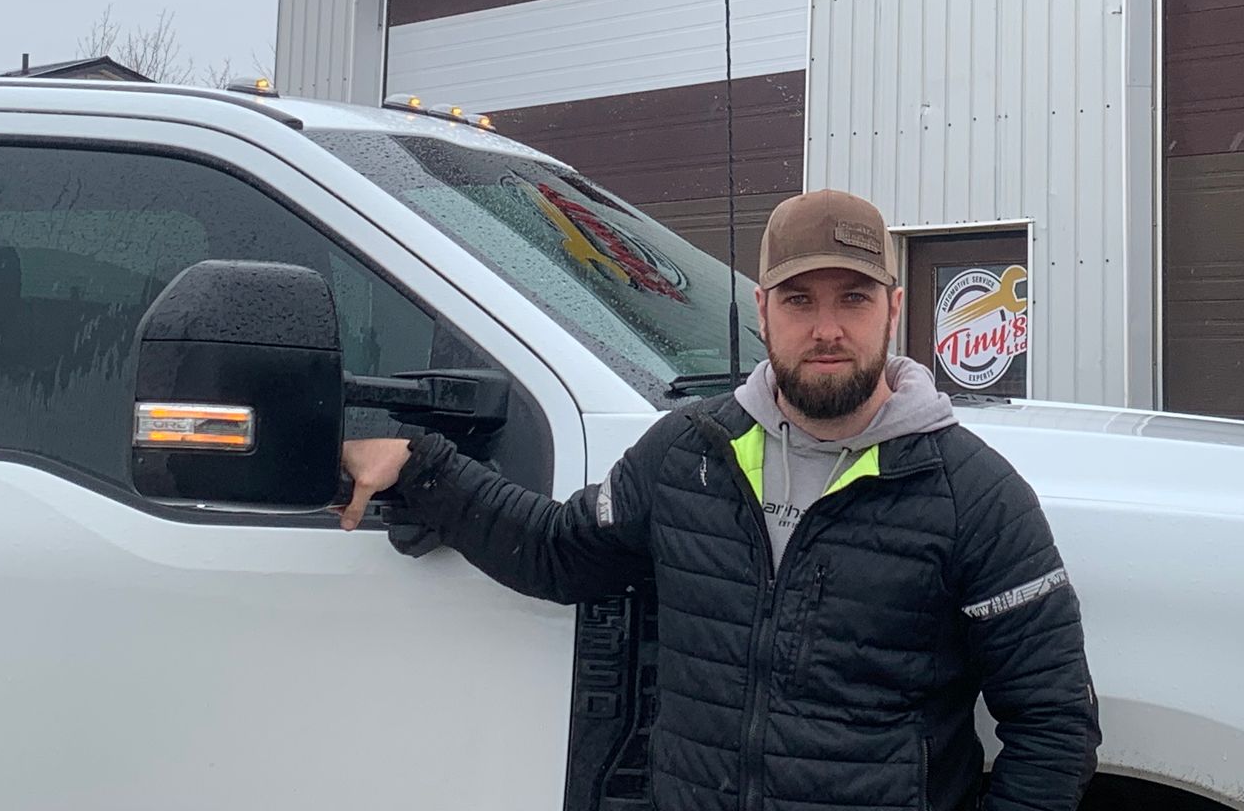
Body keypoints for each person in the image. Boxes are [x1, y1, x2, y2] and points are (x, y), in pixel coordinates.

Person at [340, 188, 1100, 811]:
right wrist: (422, 465)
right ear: (762, 311)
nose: (827, 328)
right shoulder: (689, 454)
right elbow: (558, 554)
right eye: (799, 300)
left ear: (892, 312)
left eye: (854, 299)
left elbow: (1054, 724)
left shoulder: (975, 495)